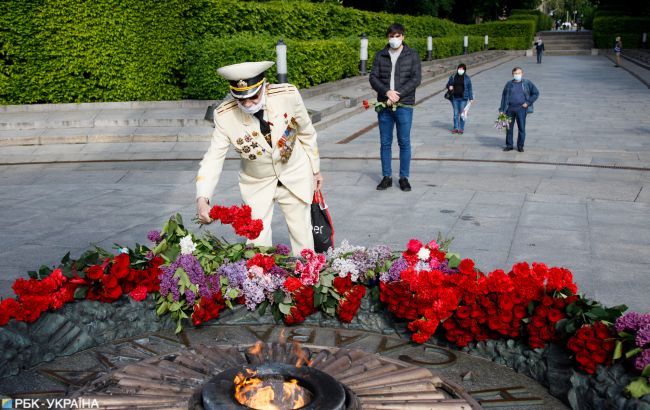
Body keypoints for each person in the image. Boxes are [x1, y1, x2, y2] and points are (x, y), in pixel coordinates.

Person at [195, 61, 323, 256]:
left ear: (264, 85)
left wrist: (315, 169)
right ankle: (259, 280)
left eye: (253, 97)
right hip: (257, 182)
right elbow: (213, 158)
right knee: (256, 240)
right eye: (241, 99)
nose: (248, 104)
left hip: (294, 172)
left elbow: (306, 131)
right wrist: (203, 198)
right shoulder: (224, 115)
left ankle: (307, 278)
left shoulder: (287, 95)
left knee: (302, 235)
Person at [369, 23, 422, 192]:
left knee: (404, 142)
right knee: (385, 143)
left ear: (403, 37)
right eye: (392, 36)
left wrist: (397, 94)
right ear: (388, 37)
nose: (394, 39)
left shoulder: (412, 55)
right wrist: (386, 92)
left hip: (404, 104)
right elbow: (373, 77)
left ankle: (404, 177)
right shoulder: (380, 55)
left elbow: (416, 79)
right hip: (384, 105)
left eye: (397, 36)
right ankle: (387, 177)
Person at [499, 67, 540, 152]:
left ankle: (520, 146)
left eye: (519, 73)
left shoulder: (527, 83)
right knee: (508, 128)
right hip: (509, 109)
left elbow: (536, 93)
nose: (517, 75)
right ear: (512, 74)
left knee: (521, 128)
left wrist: (528, 103)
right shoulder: (508, 84)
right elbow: (504, 97)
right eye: (515, 73)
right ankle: (509, 145)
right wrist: (501, 110)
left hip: (521, 109)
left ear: (522, 74)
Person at [445, 63, 474, 135]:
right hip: (454, 97)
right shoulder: (453, 76)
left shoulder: (467, 78)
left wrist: (471, 98)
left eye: (462, 69)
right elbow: (447, 84)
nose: (460, 70)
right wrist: (449, 86)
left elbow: (470, 89)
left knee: (462, 114)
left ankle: (461, 128)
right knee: (455, 114)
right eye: (459, 69)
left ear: (464, 70)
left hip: (463, 98)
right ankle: (455, 128)